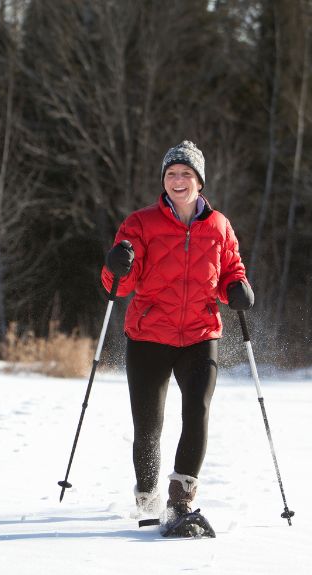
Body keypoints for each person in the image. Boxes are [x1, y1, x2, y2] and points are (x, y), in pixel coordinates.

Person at [100, 140, 253, 530]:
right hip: (149, 334)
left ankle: (180, 501)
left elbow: (231, 269)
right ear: (163, 181)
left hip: (201, 334)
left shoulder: (219, 226)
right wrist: (116, 264)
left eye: (186, 174)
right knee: (148, 423)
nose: (178, 180)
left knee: (197, 410)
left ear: (199, 182)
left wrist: (237, 287)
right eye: (171, 174)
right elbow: (119, 287)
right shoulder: (140, 223)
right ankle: (148, 496)